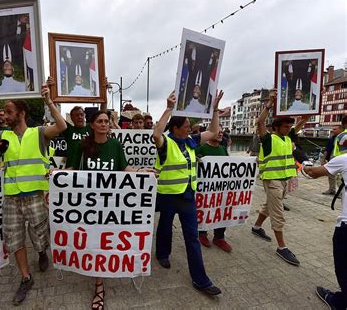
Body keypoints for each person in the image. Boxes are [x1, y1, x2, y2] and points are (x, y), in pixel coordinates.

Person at [0, 78, 67, 305]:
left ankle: (41, 252)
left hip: (35, 196)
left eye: (9, 111)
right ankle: (25, 277)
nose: (4, 115)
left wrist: (49, 102)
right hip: (11, 198)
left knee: (40, 236)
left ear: (21, 113)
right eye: (3, 111)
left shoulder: (39, 133)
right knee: (14, 238)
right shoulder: (3, 136)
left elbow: (62, 127)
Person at [65, 110, 155, 310]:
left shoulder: (115, 145)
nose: (104, 124)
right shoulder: (82, 145)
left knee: (106, 241)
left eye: (106, 121)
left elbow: (124, 169)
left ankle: (107, 272)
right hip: (88, 204)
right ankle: (99, 286)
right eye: (100, 121)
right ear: (93, 125)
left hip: (110, 204)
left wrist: (141, 172)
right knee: (94, 241)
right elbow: (72, 169)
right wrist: (57, 174)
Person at [153, 90, 224, 296]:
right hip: (167, 196)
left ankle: (201, 280)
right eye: (185, 126)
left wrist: (215, 110)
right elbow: (156, 134)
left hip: (187, 197)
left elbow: (213, 131)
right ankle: (162, 254)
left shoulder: (191, 141)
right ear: (176, 129)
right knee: (165, 228)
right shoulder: (166, 143)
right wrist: (168, 108)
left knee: (192, 237)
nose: (190, 128)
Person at [251, 89, 311, 266]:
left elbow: (305, 119)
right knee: (278, 212)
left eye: (289, 126)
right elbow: (260, 122)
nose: (289, 128)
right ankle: (282, 248)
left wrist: (315, 96)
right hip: (272, 180)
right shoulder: (268, 139)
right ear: (276, 127)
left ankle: (256, 227)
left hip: (285, 180)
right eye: (285, 126)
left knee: (269, 206)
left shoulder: (287, 137)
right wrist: (269, 104)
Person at [304, 137, 347, 310]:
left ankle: (340, 302)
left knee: (344, 266)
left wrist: (304, 165)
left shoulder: (344, 159)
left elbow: (313, 173)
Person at [196, 124, 232, 252]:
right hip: (205, 188)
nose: (221, 134)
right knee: (205, 209)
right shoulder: (201, 148)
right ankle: (202, 233)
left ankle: (219, 237)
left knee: (221, 211)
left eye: (222, 132)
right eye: (218, 131)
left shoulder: (223, 149)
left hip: (221, 188)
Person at [321, 125, 344, 195]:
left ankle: (342, 192)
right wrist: (323, 159)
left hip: (341, 159)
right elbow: (327, 149)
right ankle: (332, 189)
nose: (332, 130)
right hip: (332, 158)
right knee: (330, 174)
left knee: (341, 176)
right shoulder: (332, 138)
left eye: (334, 129)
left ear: (341, 129)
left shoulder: (343, 138)